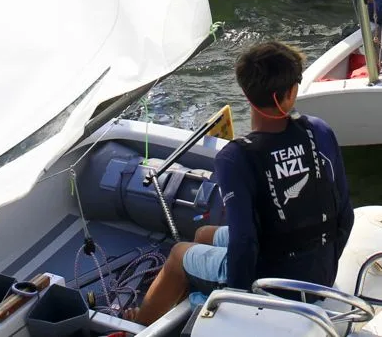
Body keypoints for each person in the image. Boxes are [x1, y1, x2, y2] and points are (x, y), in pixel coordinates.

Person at [128, 41, 353, 326]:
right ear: (292, 92)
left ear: (245, 92)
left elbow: (245, 241)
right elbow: (346, 214)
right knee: (204, 235)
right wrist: (321, 269)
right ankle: (190, 295)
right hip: (320, 271)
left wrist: (237, 302)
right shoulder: (320, 131)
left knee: (177, 255)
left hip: (270, 279)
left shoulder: (236, 156)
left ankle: (140, 322)